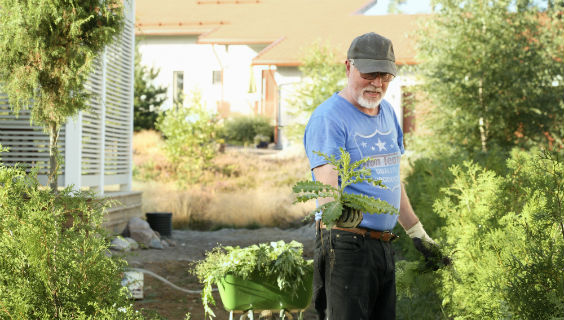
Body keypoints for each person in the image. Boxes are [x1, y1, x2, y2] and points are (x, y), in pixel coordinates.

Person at [303, 32, 449, 319]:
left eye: (385, 75)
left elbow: (392, 180)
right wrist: (349, 226)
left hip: (382, 246)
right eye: (370, 73)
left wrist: (417, 233)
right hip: (345, 248)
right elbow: (327, 193)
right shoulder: (329, 118)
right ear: (349, 67)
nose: (377, 83)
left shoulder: (387, 114)